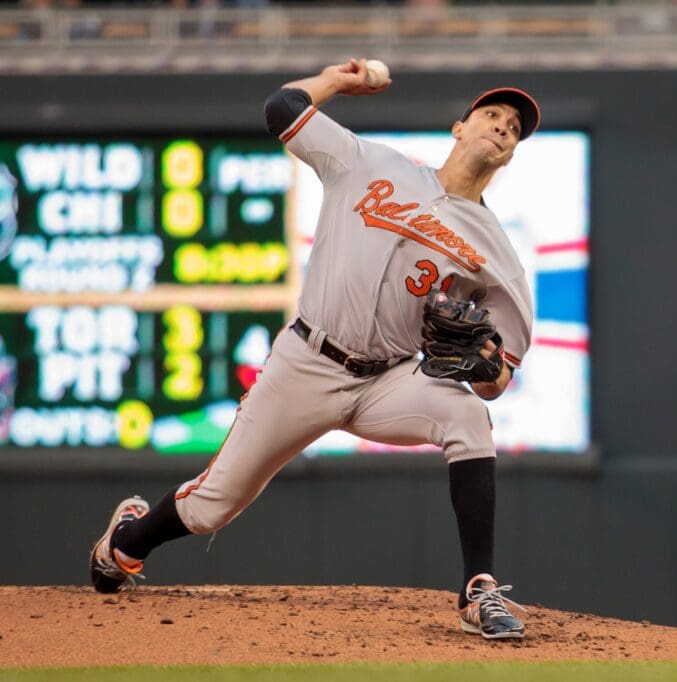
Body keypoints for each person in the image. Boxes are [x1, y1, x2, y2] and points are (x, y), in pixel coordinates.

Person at [89, 59, 539, 641]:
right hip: (306, 362)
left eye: (514, 128)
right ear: (459, 127)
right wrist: (333, 82)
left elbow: (496, 376)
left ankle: (479, 589)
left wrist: (483, 372)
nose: (503, 126)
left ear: (511, 153)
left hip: (388, 382)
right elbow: (282, 112)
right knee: (212, 508)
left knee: (468, 416)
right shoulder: (371, 162)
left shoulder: (497, 254)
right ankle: (125, 543)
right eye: (492, 114)